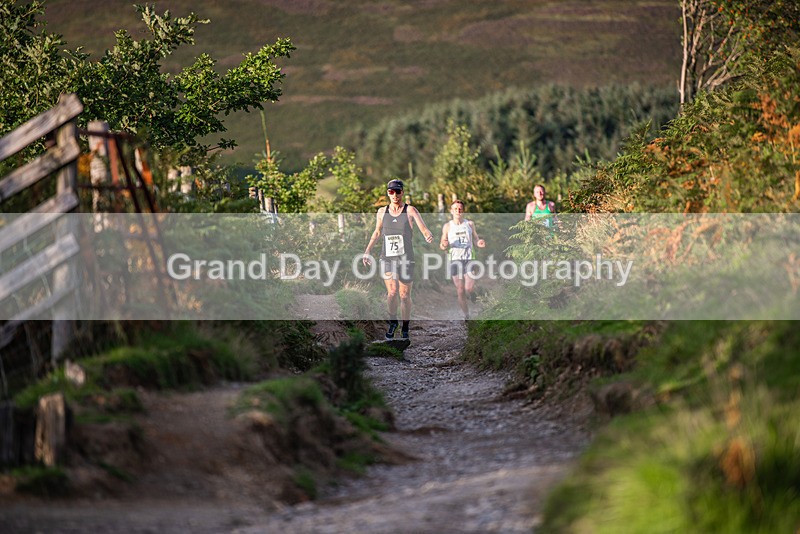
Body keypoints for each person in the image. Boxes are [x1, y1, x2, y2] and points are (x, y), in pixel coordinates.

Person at [363, 179, 434, 340]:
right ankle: (393, 322)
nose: (394, 195)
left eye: (398, 191)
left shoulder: (410, 211)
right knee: (392, 291)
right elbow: (376, 232)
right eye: (391, 192)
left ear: (402, 192)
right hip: (387, 258)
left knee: (404, 295)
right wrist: (367, 251)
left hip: (406, 259)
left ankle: (405, 327)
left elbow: (423, 228)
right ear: (388, 193)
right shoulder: (382, 212)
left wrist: (428, 234)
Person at [440, 199, 485, 320]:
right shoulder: (447, 226)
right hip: (455, 260)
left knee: (468, 288)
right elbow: (442, 243)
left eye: (460, 209)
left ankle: (474, 295)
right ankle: (467, 316)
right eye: (455, 209)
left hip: (469, 258)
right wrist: (444, 244)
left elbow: (476, 238)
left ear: (463, 211)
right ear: (451, 211)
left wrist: (479, 242)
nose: (458, 211)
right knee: (460, 290)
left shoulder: (469, 224)